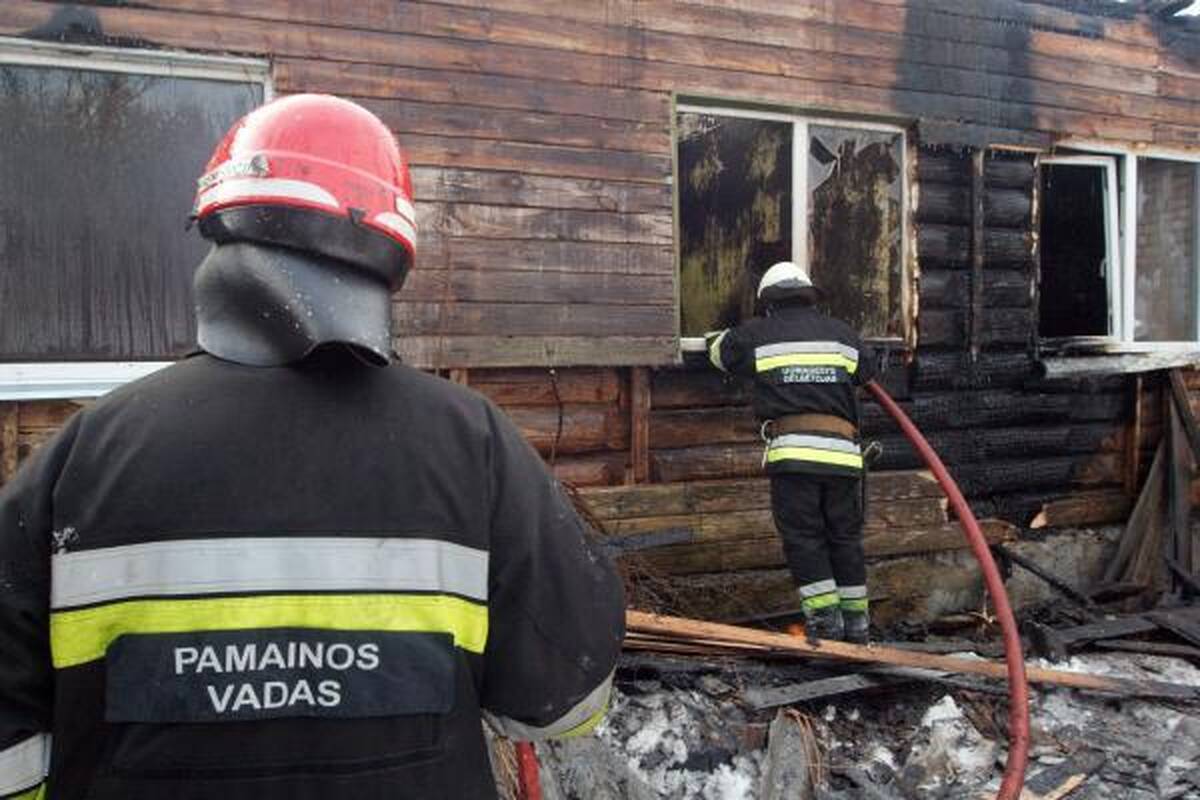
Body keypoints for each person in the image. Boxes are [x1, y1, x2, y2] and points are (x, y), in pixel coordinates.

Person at [0, 94, 625, 800]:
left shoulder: (83, 454)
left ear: (222, 224)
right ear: (390, 249)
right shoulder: (471, 442)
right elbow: (566, 701)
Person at [705, 261, 876, 644]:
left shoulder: (757, 334)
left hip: (796, 456)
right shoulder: (842, 334)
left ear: (768, 301)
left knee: (804, 538)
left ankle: (825, 626)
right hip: (844, 457)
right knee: (844, 538)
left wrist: (720, 330)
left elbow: (719, 351)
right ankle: (857, 627)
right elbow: (868, 369)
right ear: (809, 297)